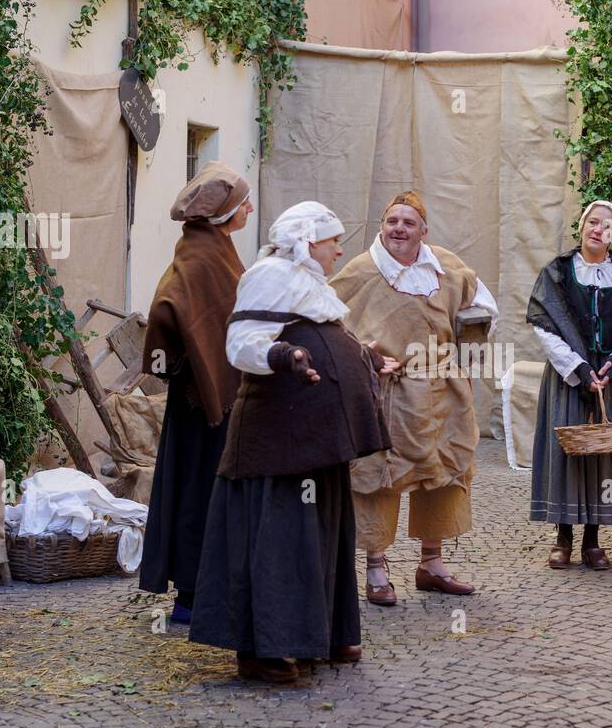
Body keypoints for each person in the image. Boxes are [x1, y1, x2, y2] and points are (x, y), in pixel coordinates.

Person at [188, 202, 396, 684]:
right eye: (332, 241)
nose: (340, 249)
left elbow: (317, 331)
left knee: (322, 531)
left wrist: (361, 358)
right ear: (306, 240)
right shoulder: (268, 274)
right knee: (281, 536)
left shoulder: (307, 282)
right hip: (277, 440)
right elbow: (241, 343)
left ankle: (319, 633)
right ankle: (265, 648)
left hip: (313, 439)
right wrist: (284, 354)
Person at [329, 191, 498, 604]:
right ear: (382, 227)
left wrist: (464, 351)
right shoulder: (361, 270)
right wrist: (363, 357)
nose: (398, 229)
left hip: (443, 387)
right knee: (379, 475)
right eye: (392, 222)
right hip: (388, 390)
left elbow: (482, 308)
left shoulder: (445, 266)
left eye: (408, 223)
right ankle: (376, 568)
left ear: (423, 230)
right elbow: (326, 318)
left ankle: (432, 564)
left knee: (445, 470)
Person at [139, 162, 252, 624]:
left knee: (211, 490)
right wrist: (194, 366)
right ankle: (191, 596)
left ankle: (209, 591)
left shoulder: (218, 247)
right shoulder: (200, 255)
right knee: (197, 491)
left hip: (217, 396)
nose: (249, 207)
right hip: (201, 404)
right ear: (224, 212)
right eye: (243, 201)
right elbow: (168, 307)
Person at [526, 199, 612, 569]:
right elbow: (543, 324)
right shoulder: (558, 272)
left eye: (607, 225)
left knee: (604, 457)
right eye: (593, 223)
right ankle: (563, 538)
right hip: (569, 376)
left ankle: (593, 540)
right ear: (581, 227)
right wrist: (579, 369)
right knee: (567, 452)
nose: (598, 229)